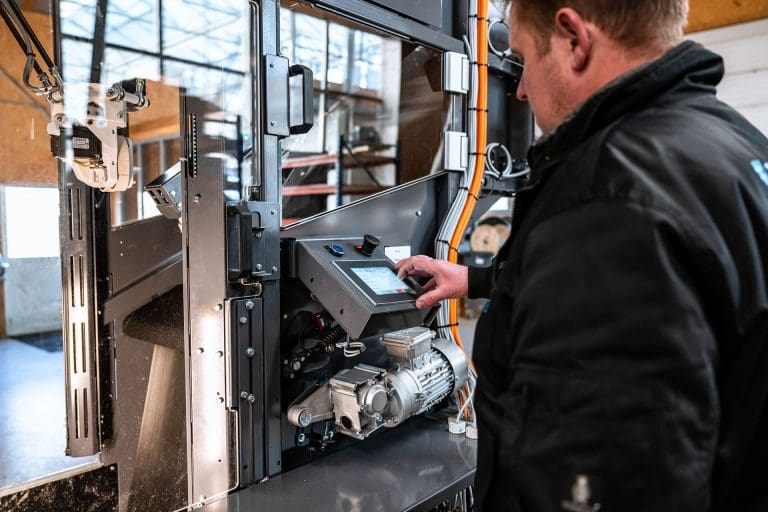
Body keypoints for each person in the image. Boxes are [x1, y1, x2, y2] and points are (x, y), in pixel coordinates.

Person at [395, 1, 768, 510]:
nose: (521, 89)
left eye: (524, 59)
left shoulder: (607, 196)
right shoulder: (734, 142)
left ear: (574, 38)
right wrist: (475, 279)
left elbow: (599, 484)